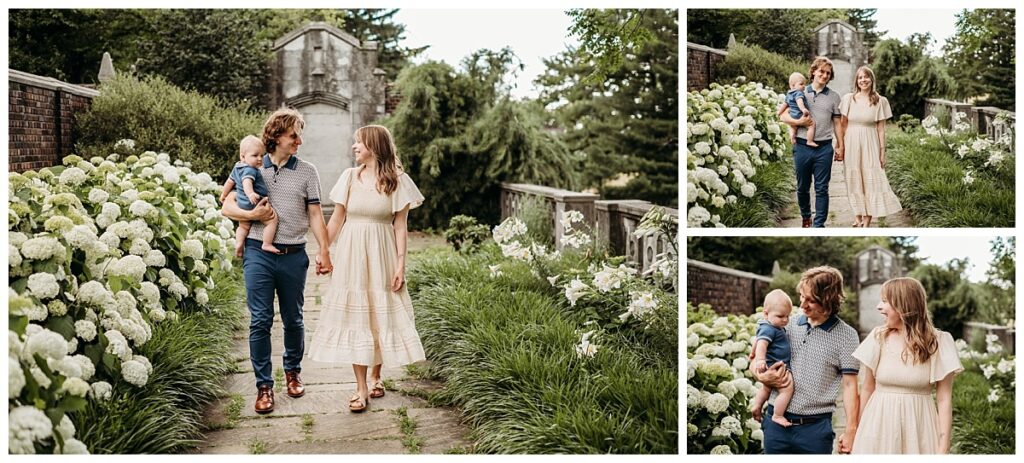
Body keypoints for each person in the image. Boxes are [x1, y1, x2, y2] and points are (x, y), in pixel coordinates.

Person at [220, 108, 333, 414]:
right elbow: (226, 204)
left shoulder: (308, 171)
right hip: (258, 252)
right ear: (276, 136)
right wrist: (252, 215)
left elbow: (314, 214)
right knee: (260, 320)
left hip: (294, 254)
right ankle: (263, 386)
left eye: (300, 134)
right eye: (293, 134)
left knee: (294, 318)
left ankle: (292, 372)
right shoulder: (253, 164)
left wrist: (324, 250)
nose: (299, 140)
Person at [308, 125, 426, 413]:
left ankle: (376, 375)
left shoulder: (396, 181)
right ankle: (360, 388)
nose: (354, 148)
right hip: (351, 253)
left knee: (378, 315)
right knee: (356, 318)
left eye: (359, 143)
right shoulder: (349, 177)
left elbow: (400, 225)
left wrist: (401, 264)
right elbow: (335, 220)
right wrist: (323, 251)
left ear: (374, 146)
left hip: (382, 251)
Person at [751, 266, 861, 454]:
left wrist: (851, 430)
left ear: (828, 300)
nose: (802, 305)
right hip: (775, 426)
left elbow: (851, 386)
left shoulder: (846, 336)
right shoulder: (786, 323)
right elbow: (754, 360)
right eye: (802, 296)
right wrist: (762, 377)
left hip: (815, 430)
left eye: (811, 300)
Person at [852, 277, 962, 454]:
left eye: (885, 301)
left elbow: (944, 399)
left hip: (919, 428)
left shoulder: (939, 342)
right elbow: (867, 389)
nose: (879, 306)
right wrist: (857, 432)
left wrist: (943, 447)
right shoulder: (877, 338)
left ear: (904, 305)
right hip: (877, 426)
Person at [780, 57, 845, 228]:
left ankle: (819, 225)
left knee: (822, 188)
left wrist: (840, 145)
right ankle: (806, 217)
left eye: (828, 73)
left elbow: (837, 123)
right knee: (802, 187)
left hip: (824, 148)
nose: (824, 75)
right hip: (802, 146)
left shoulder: (834, 97)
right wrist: (798, 123)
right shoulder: (799, 91)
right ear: (814, 72)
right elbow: (782, 115)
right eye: (821, 71)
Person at [838, 66, 903, 227]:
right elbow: (843, 125)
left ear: (872, 80)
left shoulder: (880, 101)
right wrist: (840, 146)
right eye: (860, 78)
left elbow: (881, 129)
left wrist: (882, 152)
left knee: (870, 179)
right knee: (854, 179)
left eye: (866, 77)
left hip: (870, 141)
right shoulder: (848, 99)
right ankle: (858, 216)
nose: (863, 80)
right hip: (851, 140)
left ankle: (867, 220)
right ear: (856, 81)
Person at [219, 135, 281, 256]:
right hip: (255, 203)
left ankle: (239, 243)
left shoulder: (237, 167)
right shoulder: (250, 169)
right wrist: (251, 193)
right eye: (255, 155)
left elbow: (229, 181)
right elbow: (247, 182)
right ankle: (267, 243)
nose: (259, 159)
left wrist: (224, 194)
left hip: (242, 204)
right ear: (243, 156)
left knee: (243, 226)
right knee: (272, 220)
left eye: (261, 155)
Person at [750, 289, 796, 427]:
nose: (785, 320)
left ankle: (757, 405)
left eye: (787, 316)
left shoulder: (773, 326)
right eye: (780, 316)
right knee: (787, 389)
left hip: (772, 364)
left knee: (766, 388)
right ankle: (778, 415)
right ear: (766, 313)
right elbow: (761, 345)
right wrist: (760, 361)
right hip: (774, 365)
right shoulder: (769, 328)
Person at [779, 72, 818, 147]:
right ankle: (809, 141)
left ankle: (792, 137)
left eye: (804, 84)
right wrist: (803, 109)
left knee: (793, 126)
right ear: (793, 86)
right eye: (801, 84)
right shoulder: (799, 93)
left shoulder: (789, 94)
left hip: (793, 115)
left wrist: (779, 112)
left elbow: (785, 104)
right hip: (800, 114)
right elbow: (799, 102)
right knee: (812, 124)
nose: (804, 86)